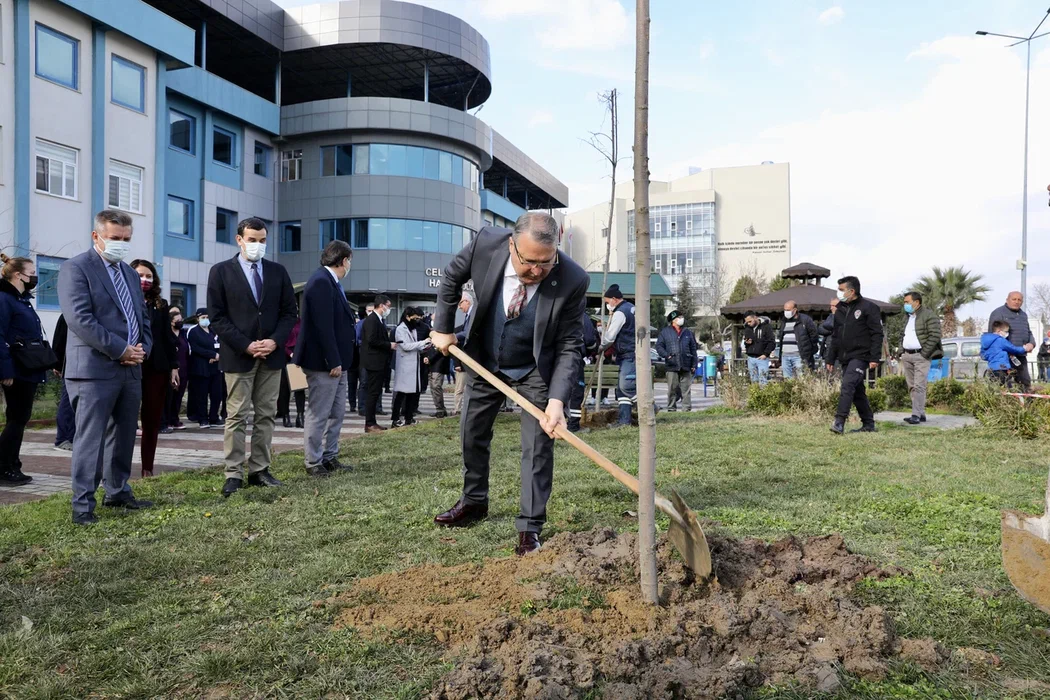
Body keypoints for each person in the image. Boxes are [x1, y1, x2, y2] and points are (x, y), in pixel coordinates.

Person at [430, 213, 588, 556]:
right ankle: (474, 501)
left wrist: (558, 401)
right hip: (483, 356)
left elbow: (570, 344)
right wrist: (443, 326)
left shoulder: (574, 279)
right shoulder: (486, 243)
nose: (536, 271)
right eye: (529, 262)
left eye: (546, 263)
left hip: (534, 368)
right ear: (512, 245)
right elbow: (451, 278)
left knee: (538, 445)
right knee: (471, 432)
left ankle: (530, 527)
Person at [58, 209, 153, 525]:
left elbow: (141, 317)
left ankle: (118, 491)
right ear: (96, 236)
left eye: (126, 239)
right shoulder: (76, 269)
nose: (122, 244)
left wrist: (142, 350)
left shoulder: (128, 272)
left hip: (130, 369)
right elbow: (80, 319)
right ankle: (83, 505)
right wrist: (120, 349)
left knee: (124, 434)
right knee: (90, 439)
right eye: (115, 238)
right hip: (94, 370)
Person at [207, 217, 298, 498]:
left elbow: (289, 314)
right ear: (239, 239)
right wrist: (246, 345)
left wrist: (274, 341)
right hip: (239, 356)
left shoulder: (278, 272)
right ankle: (233, 473)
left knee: (267, 414)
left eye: (262, 240)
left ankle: (260, 469)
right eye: (252, 239)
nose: (257, 245)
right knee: (236, 415)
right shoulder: (221, 272)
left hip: (271, 356)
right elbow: (217, 317)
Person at [293, 240, 356, 477]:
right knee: (319, 413)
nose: (350, 265)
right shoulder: (320, 282)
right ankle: (313, 461)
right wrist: (333, 360)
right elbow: (323, 326)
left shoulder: (331, 282)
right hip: (324, 363)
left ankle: (330, 456)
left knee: (337, 412)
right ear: (342, 260)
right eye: (350, 260)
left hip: (339, 362)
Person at [131, 260, 179, 479]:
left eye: (149, 276)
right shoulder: (122, 300)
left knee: (152, 420)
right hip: (128, 364)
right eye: (140, 275)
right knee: (123, 419)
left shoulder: (161, 305)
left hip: (156, 368)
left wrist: (174, 366)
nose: (145, 280)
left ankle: (147, 467)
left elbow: (168, 338)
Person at [0, 254, 45, 485]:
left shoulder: (20, 300)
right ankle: (4, 467)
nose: (34, 276)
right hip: (17, 370)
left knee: (19, 418)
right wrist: (5, 370)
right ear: (18, 275)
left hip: (26, 368)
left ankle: (11, 464)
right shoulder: (4, 299)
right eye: (31, 272)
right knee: (17, 418)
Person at [827, 276, 883, 435]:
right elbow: (836, 335)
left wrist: (874, 357)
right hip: (845, 356)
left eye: (841, 290)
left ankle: (839, 422)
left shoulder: (869, 308)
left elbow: (877, 334)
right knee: (857, 391)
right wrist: (830, 358)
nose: (839, 294)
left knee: (847, 385)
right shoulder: (840, 309)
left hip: (861, 355)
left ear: (852, 291)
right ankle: (868, 424)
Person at [899, 291, 943, 425]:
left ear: (916, 302)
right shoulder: (907, 317)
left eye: (907, 302)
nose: (905, 304)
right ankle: (920, 413)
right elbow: (903, 335)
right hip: (907, 355)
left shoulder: (929, 316)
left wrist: (924, 353)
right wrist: (902, 351)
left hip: (921, 355)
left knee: (919, 386)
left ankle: (915, 414)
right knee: (911, 386)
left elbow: (935, 335)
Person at [599, 284, 637, 427]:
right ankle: (624, 421)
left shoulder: (620, 313)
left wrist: (602, 346)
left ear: (614, 299)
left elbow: (610, 336)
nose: (608, 305)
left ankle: (650, 407)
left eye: (608, 302)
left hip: (628, 353)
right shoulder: (632, 308)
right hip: (630, 352)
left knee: (626, 386)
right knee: (621, 392)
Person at [391, 306, 432, 427]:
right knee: (401, 394)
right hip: (405, 366)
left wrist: (425, 346)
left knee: (412, 394)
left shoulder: (412, 329)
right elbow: (405, 346)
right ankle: (395, 419)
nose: (417, 320)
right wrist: (423, 342)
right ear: (408, 317)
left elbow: (415, 346)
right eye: (415, 318)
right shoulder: (400, 329)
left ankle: (409, 418)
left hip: (413, 365)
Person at [361, 294, 396, 433]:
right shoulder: (372, 320)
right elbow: (371, 340)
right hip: (373, 362)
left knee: (375, 392)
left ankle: (372, 422)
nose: (389, 309)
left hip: (378, 362)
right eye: (388, 306)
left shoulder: (379, 320)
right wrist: (389, 345)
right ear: (382, 305)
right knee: (373, 393)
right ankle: (370, 423)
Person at [988, 292, 1036, 391]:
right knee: (1002, 385)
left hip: (1020, 357)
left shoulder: (1023, 315)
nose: (1017, 302)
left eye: (1019, 300)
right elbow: (994, 336)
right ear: (1007, 300)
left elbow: (1028, 332)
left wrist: (1031, 343)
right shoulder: (998, 313)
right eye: (1014, 299)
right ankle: (1000, 405)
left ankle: (1026, 406)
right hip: (1004, 357)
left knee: (1025, 384)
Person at [656, 310, 699, 412]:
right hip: (672, 365)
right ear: (673, 320)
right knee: (672, 388)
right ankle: (671, 408)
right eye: (679, 318)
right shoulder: (665, 332)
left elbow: (693, 349)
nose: (681, 319)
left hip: (686, 364)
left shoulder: (687, 332)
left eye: (681, 317)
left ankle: (686, 408)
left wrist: (694, 364)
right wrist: (667, 356)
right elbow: (659, 346)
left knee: (686, 389)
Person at [187, 309, 223, 429]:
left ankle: (214, 417)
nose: (205, 319)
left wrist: (217, 356)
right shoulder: (194, 331)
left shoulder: (213, 331)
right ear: (198, 318)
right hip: (201, 368)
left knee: (216, 394)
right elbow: (195, 348)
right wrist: (212, 355)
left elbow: (219, 345)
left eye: (207, 317)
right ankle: (202, 419)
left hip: (215, 367)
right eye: (203, 317)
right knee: (201, 395)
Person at [567, 310, 598, 432]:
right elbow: (590, 340)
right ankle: (573, 426)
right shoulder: (582, 316)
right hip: (574, 356)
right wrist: (592, 350)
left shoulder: (556, 311)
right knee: (576, 391)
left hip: (554, 357)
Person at [52, 313, 75, 452]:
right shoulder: (67, 314)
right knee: (68, 401)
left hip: (80, 366)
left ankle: (72, 437)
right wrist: (58, 363)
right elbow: (59, 340)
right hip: (69, 366)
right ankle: (63, 438)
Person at [777, 301, 818, 377]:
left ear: (795, 310)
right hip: (785, 355)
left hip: (799, 355)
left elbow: (814, 336)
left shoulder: (805, 320)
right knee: (787, 380)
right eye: (785, 310)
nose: (786, 312)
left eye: (788, 310)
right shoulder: (784, 321)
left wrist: (808, 351)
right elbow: (781, 338)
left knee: (801, 378)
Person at [164, 308, 190, 432]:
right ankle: (167, 420)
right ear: (171, 322)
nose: (180, 322)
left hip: (184, 369)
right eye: (177, 320)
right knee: (169, 396)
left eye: (181, 320)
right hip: (171, 369)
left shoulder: (184, 333)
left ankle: (175, 419)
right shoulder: (167, 334)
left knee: (179, 396)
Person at [982, 321, 1028, 386]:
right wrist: (1024, 348)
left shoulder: (985, 341)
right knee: (1006, 386)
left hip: (991, 368)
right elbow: (1013, 349)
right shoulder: (1001, 340)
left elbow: (983, 356)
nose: (1007, 334)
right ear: (999, 331)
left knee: (995, 387)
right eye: (1006, 331)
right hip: (1002, 368)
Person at [278, 320, 306, 428]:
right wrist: (289, 353)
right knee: (284, 390)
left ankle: (300, 416)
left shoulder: (300, 323)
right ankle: (286, 415)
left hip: (297, 358)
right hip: (284, 358)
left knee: (300, 388)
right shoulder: (282, 323)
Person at [742, 311, 776, 386]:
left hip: (762, 357)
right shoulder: (748, 328)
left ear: (755, 318)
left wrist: (766, 354)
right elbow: (746, 342)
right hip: (751, 357)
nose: (748, 323)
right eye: (747, 322)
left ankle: (763, 396)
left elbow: (772, 342)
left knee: (763, 381)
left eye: (750, 321)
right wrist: (746, 342)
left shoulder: (766, 326)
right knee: (754, 382)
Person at [452, 293, 473, 415]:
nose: (459, 307)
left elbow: (467, 333)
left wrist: (454, 336)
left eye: (460, 304)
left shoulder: (472, 314)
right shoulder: (468, 316)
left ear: (467, 301)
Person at [817, 298, 839, 368]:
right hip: (827, 351)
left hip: (838, 354)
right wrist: (832, 330)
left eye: (833, 306)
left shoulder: (844, 317)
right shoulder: (830, 316)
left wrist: (829, 328)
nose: (831, 308)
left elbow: (833, 325)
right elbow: (820, 329)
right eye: (831, 305)